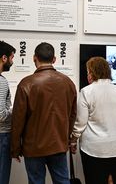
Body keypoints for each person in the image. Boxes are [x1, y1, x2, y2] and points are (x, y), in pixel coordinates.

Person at [11, 42, 77, 184]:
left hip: (33, 148)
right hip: (59, 145)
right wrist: (66, 138)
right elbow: (72, 115)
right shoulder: (68, 83)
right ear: (54, 59)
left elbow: (18, 120)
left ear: (34, 58)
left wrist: (15, 148)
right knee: (63, 182)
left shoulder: (26, 84)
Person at [70, 56, 116, 184]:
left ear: (92, 73)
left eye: (88, 71)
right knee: (115, 181)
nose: (87, 75)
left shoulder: (86, 92)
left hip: (94, 149)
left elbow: (81, 123)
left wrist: (73, 141)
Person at [0, 41, 15, 184]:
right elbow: (0, 115)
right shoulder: (1, 81)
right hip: (2, 136)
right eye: (11, 57)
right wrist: (15, 112)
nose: (12, 61)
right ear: (4, 58)